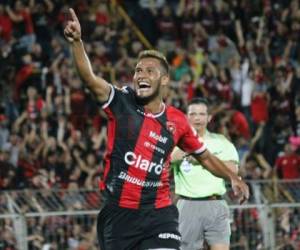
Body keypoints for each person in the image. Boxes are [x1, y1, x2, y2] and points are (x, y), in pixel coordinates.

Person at [64, 8, 249, 250]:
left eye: (149, 71)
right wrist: (77, 42)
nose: (141, 74)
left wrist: (233, 177)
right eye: (138, 70)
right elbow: (89, 78)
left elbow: (204, 156)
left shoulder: (177, 120)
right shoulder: (121, 101)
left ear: (164, 80)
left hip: (159, 213)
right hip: (119, 214)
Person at [171, 97, 240, 250]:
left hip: (216, 204)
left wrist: (203, 158)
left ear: (209, 118)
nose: (197, 118)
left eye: (202, 114)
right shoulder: (175, 142)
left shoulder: (221, 141)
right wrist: (188, 148)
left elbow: (233, 170)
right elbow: (167, 159)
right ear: (186, 117)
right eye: (193, 114)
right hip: (188, 205)